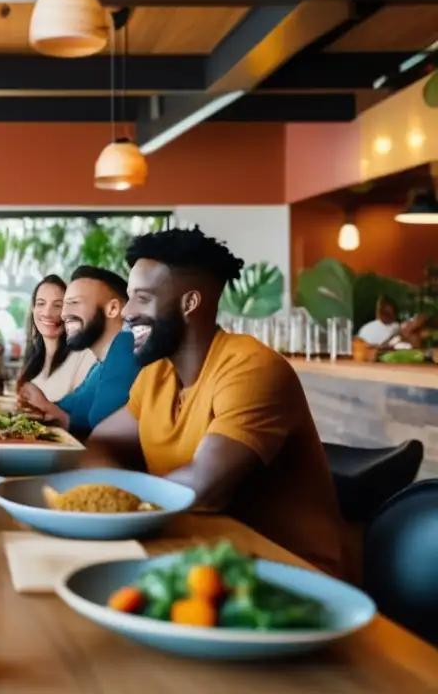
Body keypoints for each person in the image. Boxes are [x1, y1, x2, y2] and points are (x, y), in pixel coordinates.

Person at [93, 226, 346, 577]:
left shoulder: (252, 367)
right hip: (197, 557)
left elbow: (203, 488)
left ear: (189, 303)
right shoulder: (157, 376)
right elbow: (98, 444)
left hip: (286, 576)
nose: (127, 311)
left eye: (143, 298)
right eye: (129, 295)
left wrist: (106, 498)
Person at [18, 266, 139, 436]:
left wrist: (48, 408)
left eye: (74, 303)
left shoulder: (126, 346)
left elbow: (105, 436)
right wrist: (40, 403)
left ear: (112, 309)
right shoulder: (101, 364)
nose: (64, 314)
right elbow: (67, 412)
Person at [18, 275, 95, 401]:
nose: (47, 313)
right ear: (33, 309)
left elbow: (84, 411)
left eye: (58, 305)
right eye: (41, 303)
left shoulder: (83, 355)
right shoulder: (33, 358)